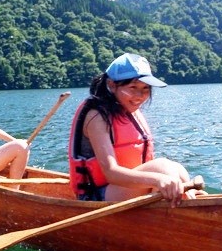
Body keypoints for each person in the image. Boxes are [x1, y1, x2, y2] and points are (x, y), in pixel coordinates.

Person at [68, 53, 206, 207]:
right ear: (112, 85)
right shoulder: (96, 117)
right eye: (133, 87)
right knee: (163, 168)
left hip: (126, 191)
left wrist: (179, 183)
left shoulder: (130, 112)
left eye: (145, 88)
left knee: (176, 169)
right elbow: (111, 173)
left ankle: (188, 200)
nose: (139, 96)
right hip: (97, 196)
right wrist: (158, 180)